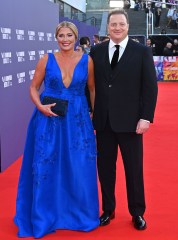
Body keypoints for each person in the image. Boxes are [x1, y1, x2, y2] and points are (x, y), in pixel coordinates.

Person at [14, 21, 99, 238]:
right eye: (61, 35)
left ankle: (78, 214)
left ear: (76, 37)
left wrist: (91, 114)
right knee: (46, 164)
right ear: (56, 37)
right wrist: (39, 106)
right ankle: (45, 216)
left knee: (80, 165)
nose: (65, 39)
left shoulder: (87, 60)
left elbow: (91, 88)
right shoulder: (46, 59)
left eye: (69, 35)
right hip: (48, 118)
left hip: (78, 119)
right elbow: (33, 87)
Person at [90, 8, 158, 230]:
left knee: (134, 169)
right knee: (105, 169)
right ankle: (108, 209)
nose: (117, 28)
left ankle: (137, 212)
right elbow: (89, 86)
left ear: (128, 26)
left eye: (121, 24)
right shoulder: (96, 51)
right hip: (104, 122)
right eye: (113, 24)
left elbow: (150, 88)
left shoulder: (142, 52)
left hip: (131, 122)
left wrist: (146, 117)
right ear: (107, 27)